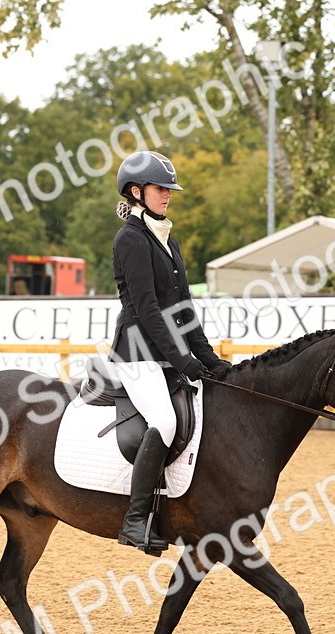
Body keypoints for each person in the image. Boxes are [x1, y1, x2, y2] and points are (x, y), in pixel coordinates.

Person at [108, 151, 231, 554]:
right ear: (136, 191)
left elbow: (183, 309)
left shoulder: (167, 239)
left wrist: (209, 360)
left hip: (163, 352)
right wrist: (184, 362)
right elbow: (147, 310)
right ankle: (136, 520)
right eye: (161, 189)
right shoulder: (130, 238)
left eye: (169, 190)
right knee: (163, 421)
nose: (167, 196)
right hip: (138, 353)